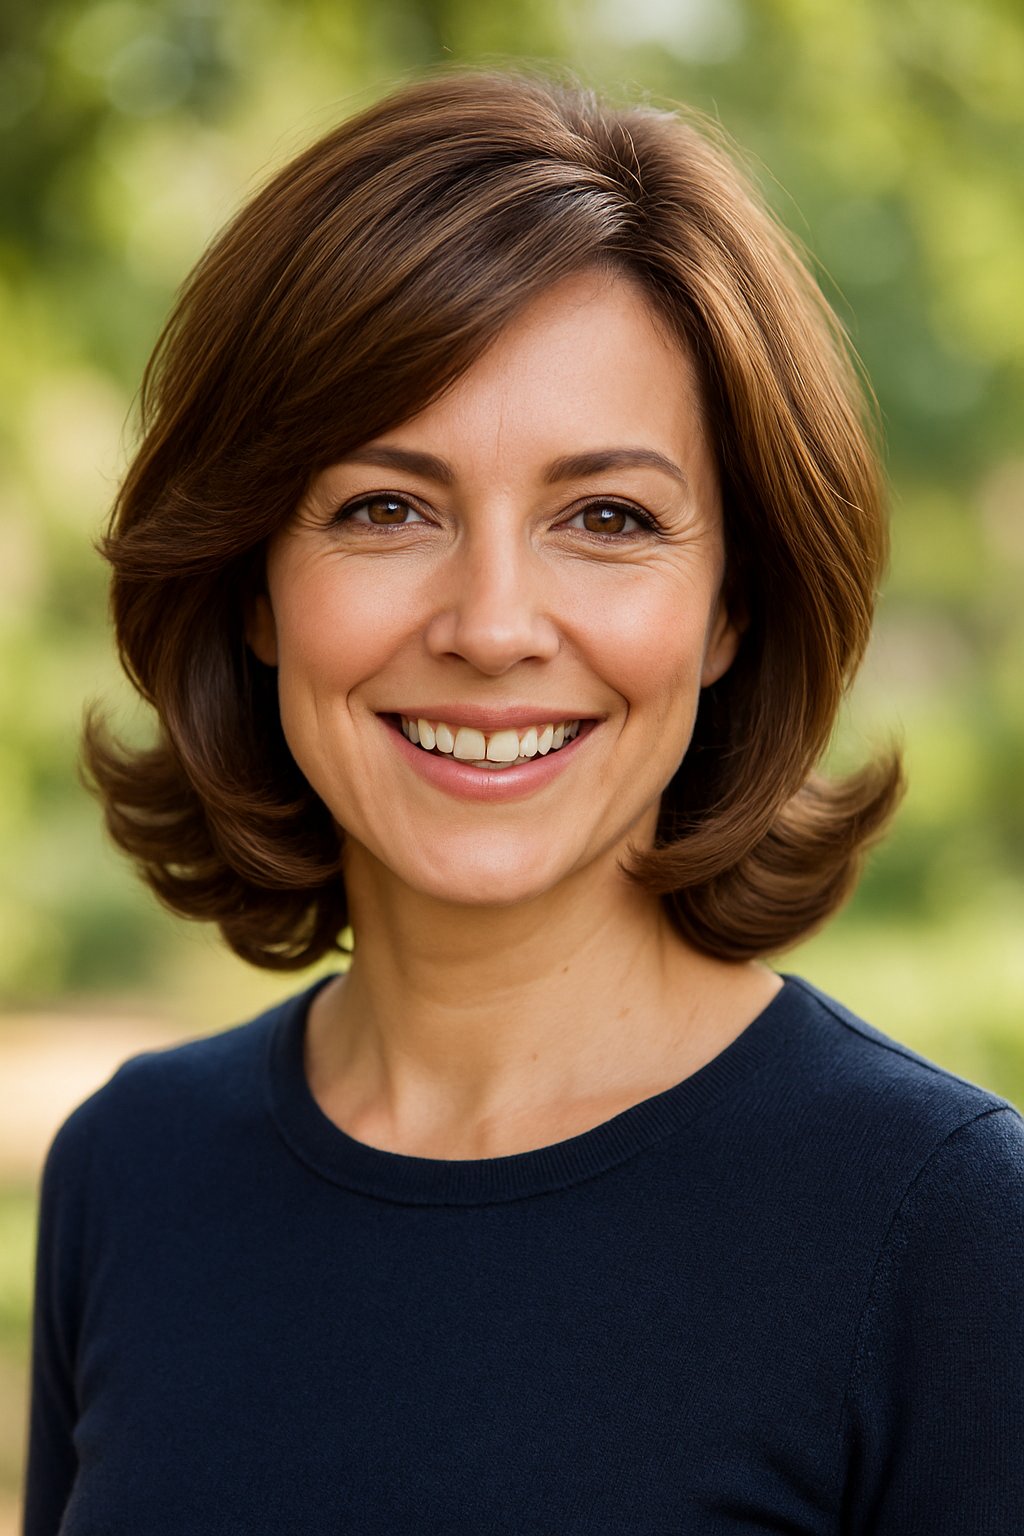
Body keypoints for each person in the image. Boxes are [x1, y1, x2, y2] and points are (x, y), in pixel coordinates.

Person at [24, 69, 1024, 1534]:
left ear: (729, 608)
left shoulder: (943, 1230)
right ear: (252, 584)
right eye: (386, 508)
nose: (493, 625)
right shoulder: (130, 1172)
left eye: (606, 519)